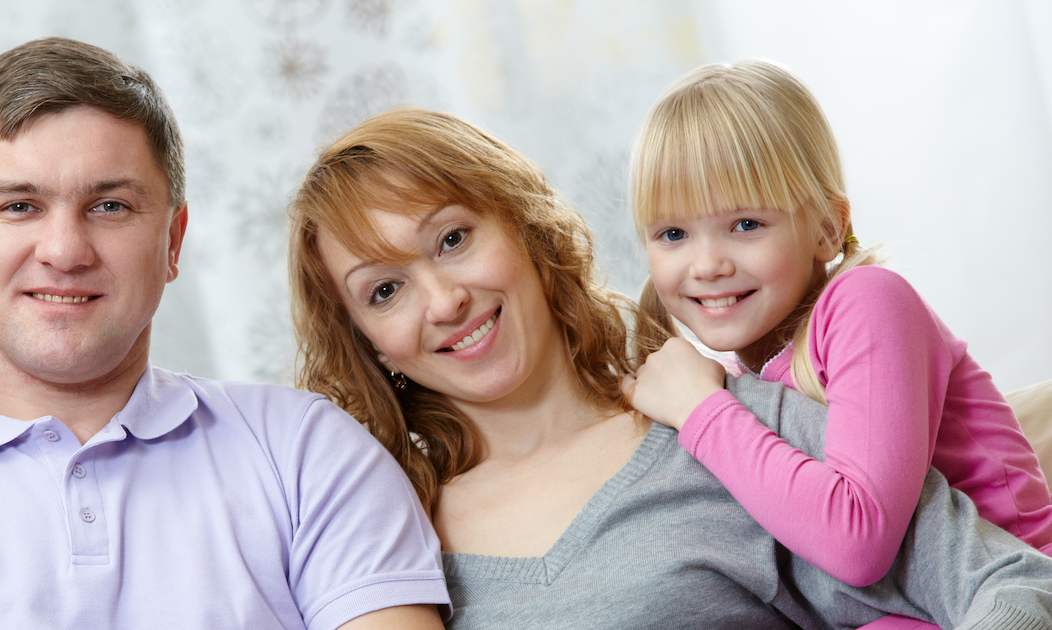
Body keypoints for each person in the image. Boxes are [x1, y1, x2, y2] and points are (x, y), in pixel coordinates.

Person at [0, 37, 448, 629]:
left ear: (174, 240)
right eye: (19, 206)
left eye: (109, 205)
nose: (64, 249)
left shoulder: (308, 453)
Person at [287, 107, 1052, 628]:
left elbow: (1012, 583)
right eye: (385, 290)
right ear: (367, 342)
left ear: (525, 230)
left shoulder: (730, 431)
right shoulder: (381, 545)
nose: (445, 300)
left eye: (453, 239)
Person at [622, 60, 1052, 629]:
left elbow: (859, 543)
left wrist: (701, 411)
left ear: (827, 227)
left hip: (1002, 592)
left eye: (746, 224)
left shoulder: (867, 302)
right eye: (672, 234)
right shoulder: (732, 369)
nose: (707, 264)